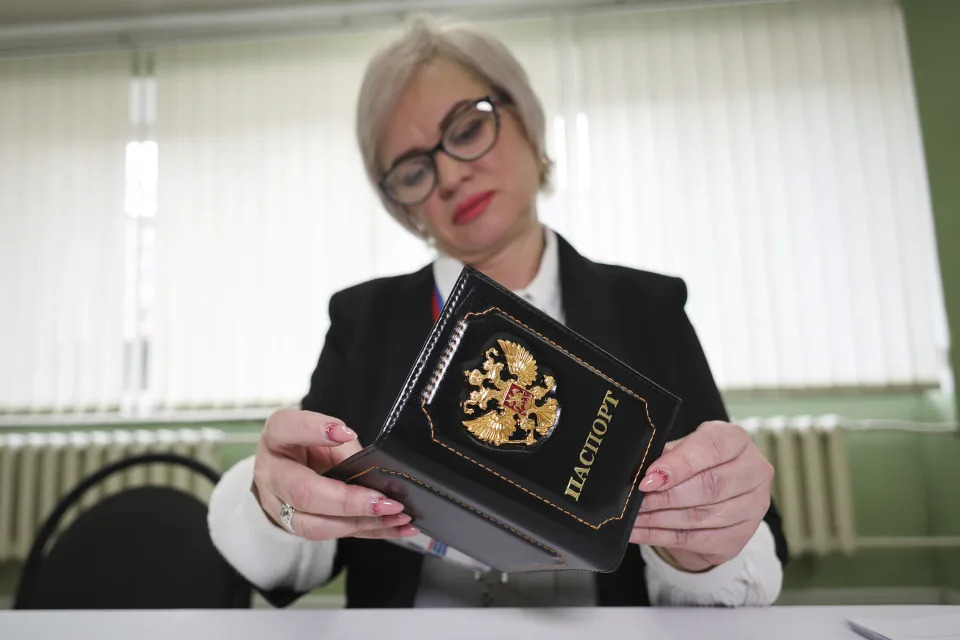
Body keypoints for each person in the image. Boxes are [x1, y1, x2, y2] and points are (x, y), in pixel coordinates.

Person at [208, 17, 788, 608]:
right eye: (413, 171)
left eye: (467, 129)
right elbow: (303, 554)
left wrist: (702, 543)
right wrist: (274, 502)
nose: (452, 174)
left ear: (529, 125)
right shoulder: (364, 320)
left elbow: (732, 549)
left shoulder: (650, 308)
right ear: (403, 207)